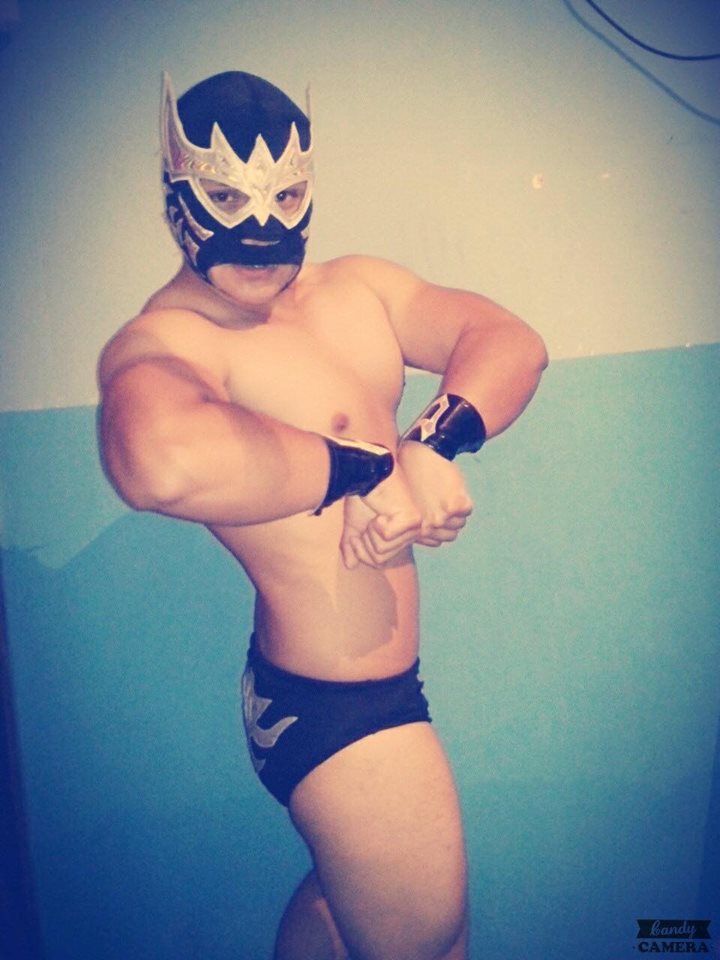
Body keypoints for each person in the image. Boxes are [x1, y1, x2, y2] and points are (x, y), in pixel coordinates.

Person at [98, 70, 548, 960]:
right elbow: (158, 462)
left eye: (283, 197)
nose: (259, 229)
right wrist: (365, 469)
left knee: (366, 924)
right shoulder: (171, 337)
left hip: (363, 685)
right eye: (228, 198)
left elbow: (511, 343)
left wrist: (431, 445)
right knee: (427, 940)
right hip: (333, 704)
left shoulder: (356, 289)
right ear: (178, 195)